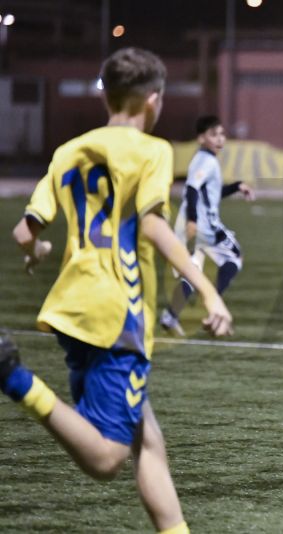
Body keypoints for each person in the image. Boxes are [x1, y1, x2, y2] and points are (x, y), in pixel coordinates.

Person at [1, 48, 233, 534]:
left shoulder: (69, 150)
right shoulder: (152, 150)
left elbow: (26, 232)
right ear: (153, 100)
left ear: (106, 93)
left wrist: (36, 251)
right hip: (117, 311)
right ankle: (13, 378)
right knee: (107, 456)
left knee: (147, 440)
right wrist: (208, 291)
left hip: (71, 310)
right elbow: (152, 225)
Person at [159, 115, 254, 337]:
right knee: (233, 258)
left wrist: (237, 186)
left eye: (221, 134)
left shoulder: (205, 159)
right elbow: (191, 189)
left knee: (192, 271)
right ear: (201, 138)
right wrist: (193, 220)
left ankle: (170, 316)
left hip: (194, 224)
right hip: (203, 225)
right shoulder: (205, 161)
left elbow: (213, 192)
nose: (220, 138)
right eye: (214, 134)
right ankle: (214, 306)